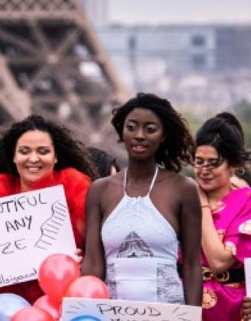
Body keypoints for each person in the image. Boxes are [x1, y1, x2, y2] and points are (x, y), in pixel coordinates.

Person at [82, 93, 201, 306]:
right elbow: (93, 265)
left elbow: (192, 265)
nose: (139, 135)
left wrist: (193, 317)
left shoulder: (183, 189)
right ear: (121, 133)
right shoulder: (99, 191)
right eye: (132, 127)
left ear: (163, 135)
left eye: (150, 129)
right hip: (113, 316)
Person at [0, 115, 97, 303]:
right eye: (24, 151)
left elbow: (101, 259)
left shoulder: (75, 193)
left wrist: (84, 265)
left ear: (55, 157)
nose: (33, 158)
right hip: (7, 311)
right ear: (13, 155)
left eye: (43, 151)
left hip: (62, 308)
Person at [194, 113, 251, 319]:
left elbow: (218, 262)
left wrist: (201, 203)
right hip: (185, 303)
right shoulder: (181, 197)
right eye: (199, 162)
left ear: (233, 165)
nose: (204, 170)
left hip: (231, 309)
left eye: (213, 163)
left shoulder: (247, 202)